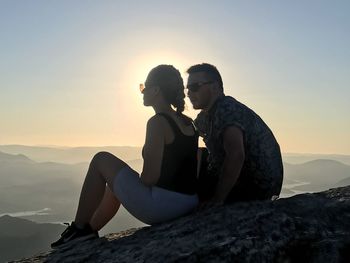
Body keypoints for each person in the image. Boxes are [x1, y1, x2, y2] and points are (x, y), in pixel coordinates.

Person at [51, 65, 199, 248]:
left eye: (144, 88)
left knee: (101, 159)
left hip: (163, 208)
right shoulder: (188, 123)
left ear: (155, 90)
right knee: (116, 184)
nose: (142, 92)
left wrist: (136, 178)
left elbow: (149, 179)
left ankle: (79, 228)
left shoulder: (157, 123)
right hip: (189, 202)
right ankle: (88, 232)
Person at [186, 63, 283, 205]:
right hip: (254, 185)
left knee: (189, 164)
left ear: (215, 87)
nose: (189, 93)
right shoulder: (208, 115)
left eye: (195, 87)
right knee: (195, 154)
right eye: (187, 89)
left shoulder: (226, 109)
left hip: (255, 190)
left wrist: (218, 200)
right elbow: (188, 131)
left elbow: (236, 155)